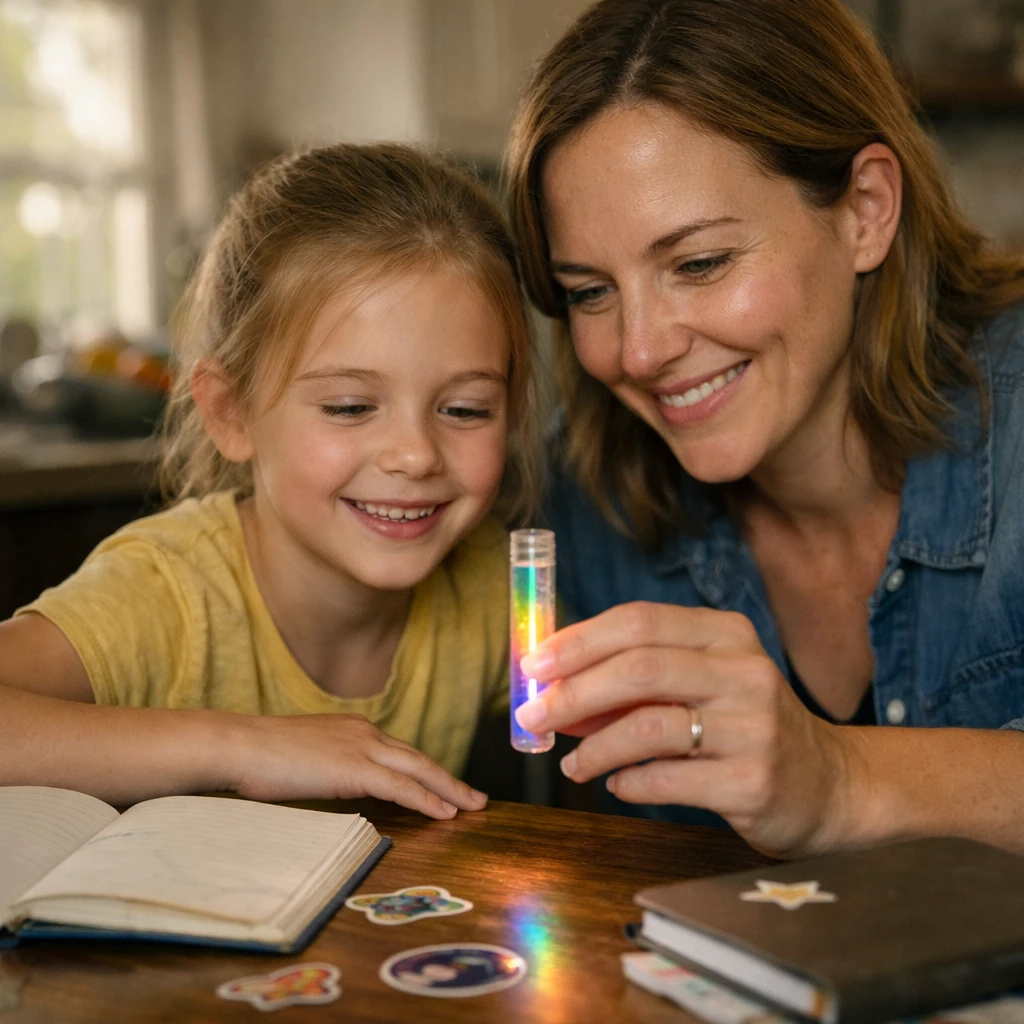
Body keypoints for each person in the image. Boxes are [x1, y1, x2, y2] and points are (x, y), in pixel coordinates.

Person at [504, 0, 1024, 857]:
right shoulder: (587, 490)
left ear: (865, 209)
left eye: (700, 263)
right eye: (589, 292)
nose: (638, 351)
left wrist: (838, 779)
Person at [0, 142, 540, 819]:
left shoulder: (494, 588)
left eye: (464, 410)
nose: (415, 456)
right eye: (350, 407)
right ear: (231, 414)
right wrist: (243, 746)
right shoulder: (169, 593)